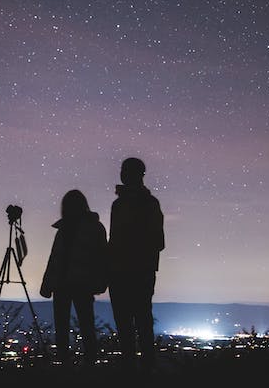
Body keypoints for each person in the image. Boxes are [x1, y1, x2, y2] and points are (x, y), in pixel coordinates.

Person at [39, 189, 109, 366]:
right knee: (83, 325)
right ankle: (85, 363)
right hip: (75, 283)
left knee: (73, 325)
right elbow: (102, 257)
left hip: (73, 284)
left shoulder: (69, 229)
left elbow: (54, 259)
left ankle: (74, 363)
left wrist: (47, 284)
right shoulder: (91, 228)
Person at [108, 156, 165, 373]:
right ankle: (141, 368)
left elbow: (156, 242)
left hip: (128, 271)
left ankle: (133, 369)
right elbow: (158, 242)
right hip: (139, 271)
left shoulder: (126, 204)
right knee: (140, 320)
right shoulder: (145, 203)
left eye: (125, 170)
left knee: (130, 321)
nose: (122, 174)